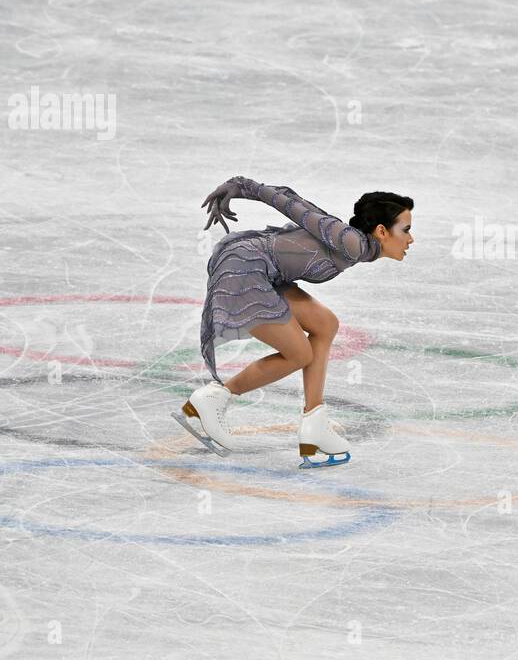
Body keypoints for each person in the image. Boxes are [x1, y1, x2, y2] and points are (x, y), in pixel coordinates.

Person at [175, 175, 413, 466]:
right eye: (406, 230)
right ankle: (214, 398)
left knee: (325, 324)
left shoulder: (359, 246)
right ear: (381, 231)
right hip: (245, 267)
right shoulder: (351, 242)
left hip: (268, 271)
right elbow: (295, 208)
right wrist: (243, 186)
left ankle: (315, 424)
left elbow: (302, 203)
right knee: (299, 353)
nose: (411, 239)